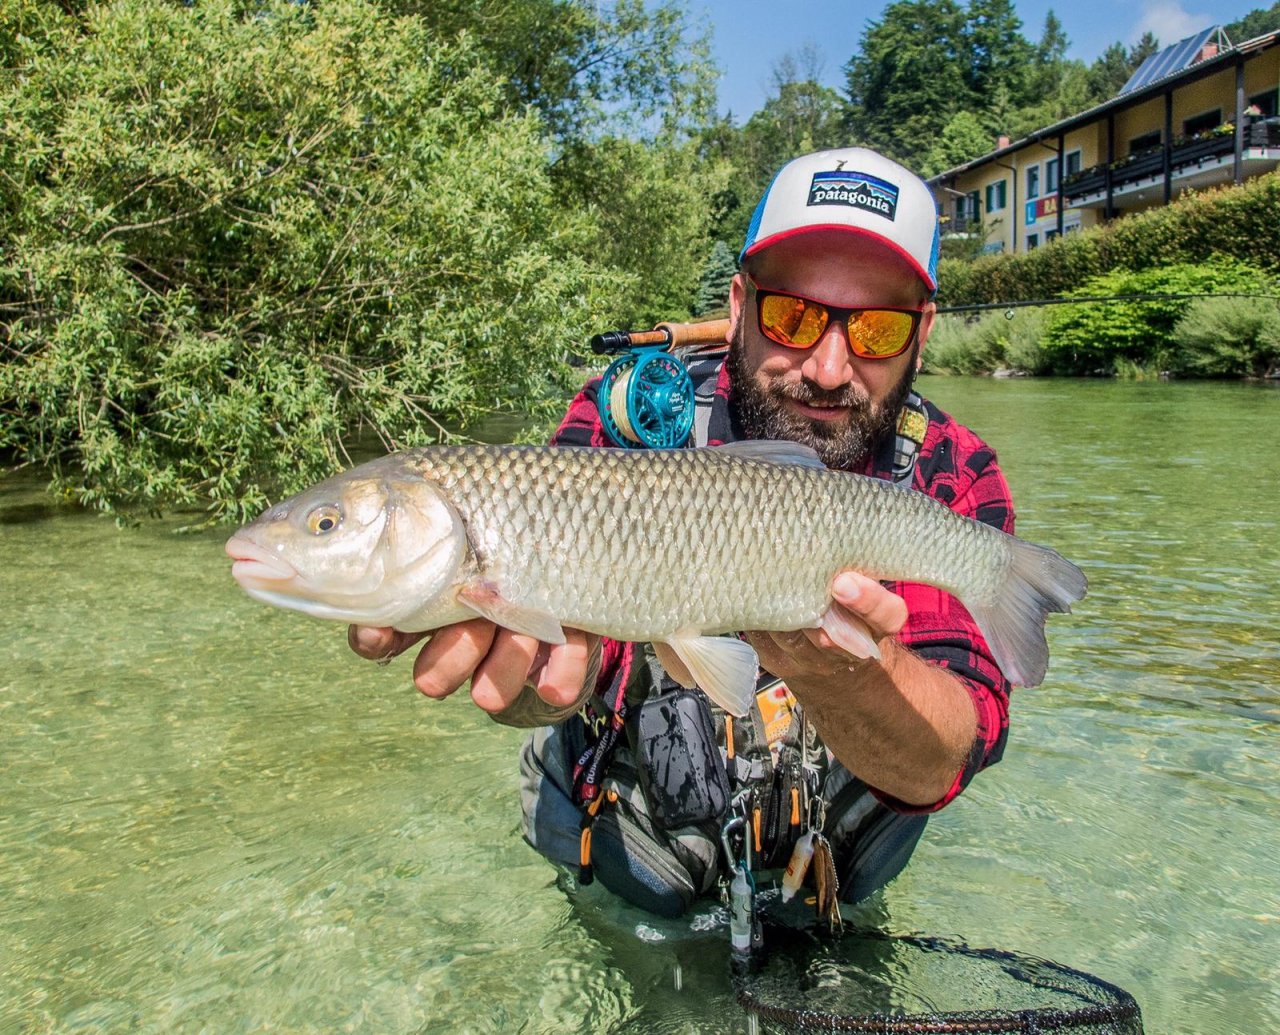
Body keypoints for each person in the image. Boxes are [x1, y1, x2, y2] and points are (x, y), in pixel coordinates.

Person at [348, 147, 1016, 922]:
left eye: (875, 329)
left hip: (831, 888)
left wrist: (845, 672)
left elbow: (955, 748)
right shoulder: (627, 420)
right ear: (739, 304)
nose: (830, 368)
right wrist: (542, 689)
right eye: (793, 316)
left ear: (922, 333)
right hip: (635, 864)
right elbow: (575, 661)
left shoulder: (952, 471)